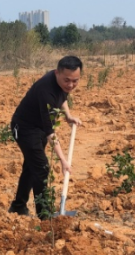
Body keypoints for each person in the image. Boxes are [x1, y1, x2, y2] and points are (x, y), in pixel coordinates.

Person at [8, 55, 83, 217]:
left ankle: (18, 206)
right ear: (57, 73)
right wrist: (63, 160)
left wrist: (68, 116)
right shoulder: (46, 91)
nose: (70, 85)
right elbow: (50, 133)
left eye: (75, 81)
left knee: (31, 167)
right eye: (67, 80)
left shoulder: (62, 84)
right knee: (41, 168)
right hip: (25, 128)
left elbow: (62, 97)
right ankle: (45, 216)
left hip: (39, 127)